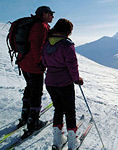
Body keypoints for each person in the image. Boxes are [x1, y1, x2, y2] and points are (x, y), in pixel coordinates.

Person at [42, 18, 83, 150]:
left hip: (50, 82)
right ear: (67, 31)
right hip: (65, 83)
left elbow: (43, 61)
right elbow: (72, 65)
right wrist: (77, 79)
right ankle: (72, 143)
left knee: (58, 109)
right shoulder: (66, 44)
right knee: (70, 111)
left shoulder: (47, 43)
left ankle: (57, 140)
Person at [17, 6, 54, 133]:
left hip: (24, 63)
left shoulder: (32, 24)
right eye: (50, 14)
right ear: (44, 14)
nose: (52, 16)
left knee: (29, 87)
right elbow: (36, 46)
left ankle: (25, 116)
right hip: (33, 65)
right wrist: (40, 63)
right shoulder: (40, 26)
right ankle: (33, 122)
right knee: (36, 92)